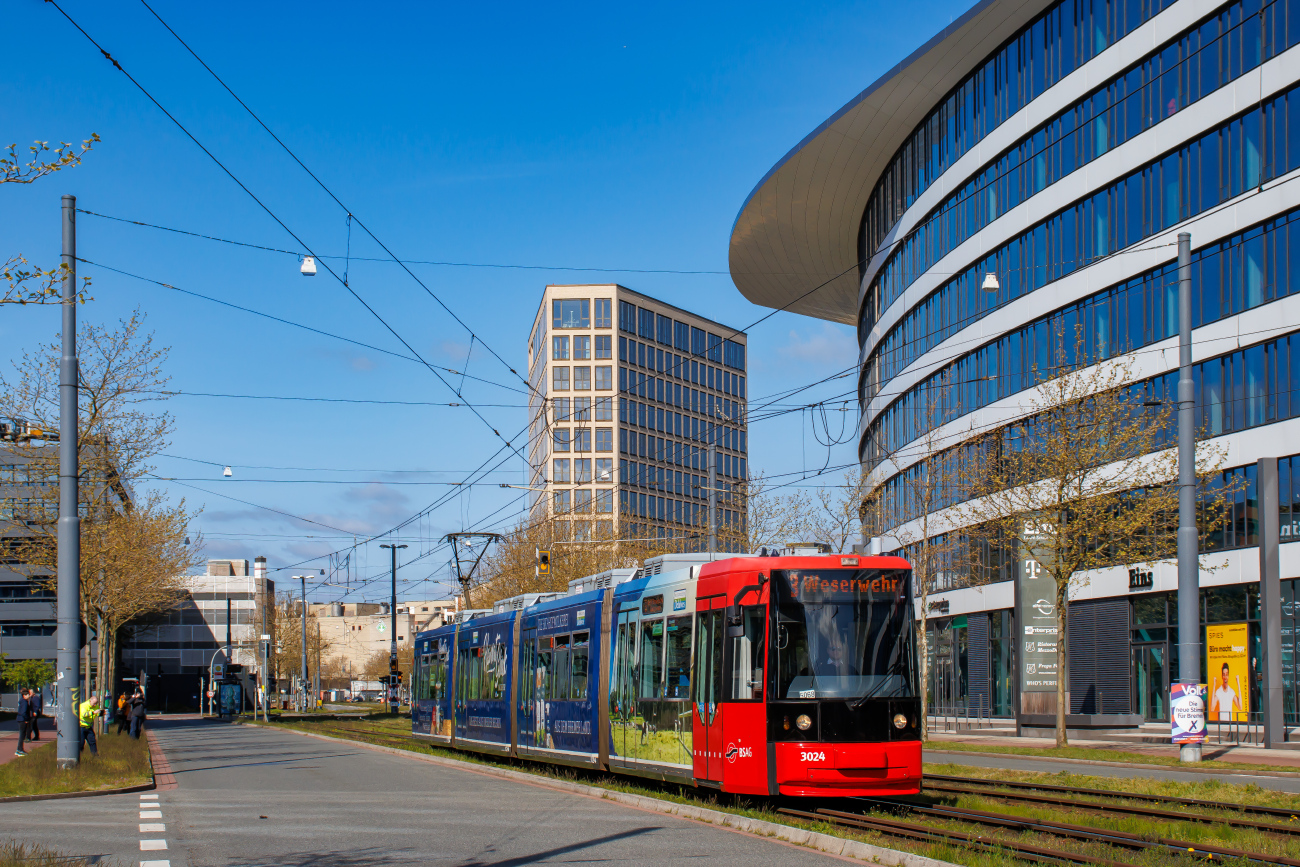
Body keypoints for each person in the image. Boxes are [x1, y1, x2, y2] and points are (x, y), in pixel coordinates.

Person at [13, 688, 33, 757]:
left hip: (20, 719)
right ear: (24, 695)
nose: (29, 696)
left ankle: (19, 749)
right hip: (23, 720)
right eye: (28, 695)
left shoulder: (21, 701)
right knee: (22, 735)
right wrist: (27, 719)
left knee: (22, 735)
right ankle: (20, 749)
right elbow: (24, 712)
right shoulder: (24, 702)